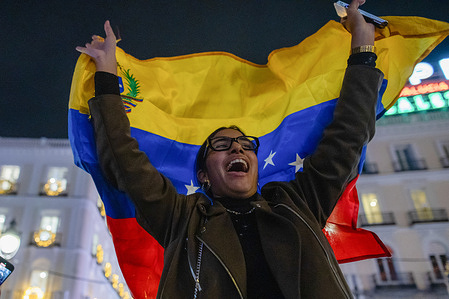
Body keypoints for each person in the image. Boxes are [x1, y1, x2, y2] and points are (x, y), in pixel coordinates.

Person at [76, 0, 383, 298]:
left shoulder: (299, 204)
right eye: (221, 146)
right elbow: (124, 160)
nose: (237, 148)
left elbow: (348, 135)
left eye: (246, 145)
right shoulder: (181, 219)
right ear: (204, 175)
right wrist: (106, 74)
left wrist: (363, 46)